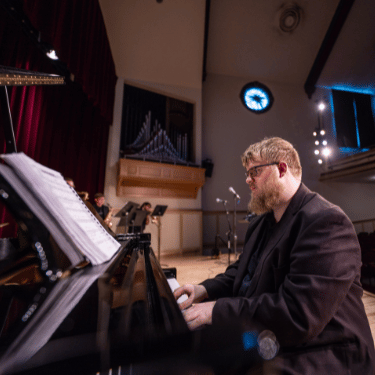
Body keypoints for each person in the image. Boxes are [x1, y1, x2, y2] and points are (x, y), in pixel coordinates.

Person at [174, 137, 375, 374]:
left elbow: (298, 314)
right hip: (271, 332)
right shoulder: (261, 223)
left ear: (281, 169)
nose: (248, 179)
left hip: (322, 348)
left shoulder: (326, 221)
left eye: (255, 171)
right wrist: (203, 290)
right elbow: (241, 273)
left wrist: (215, 310)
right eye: (247, 173)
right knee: (190, 348)